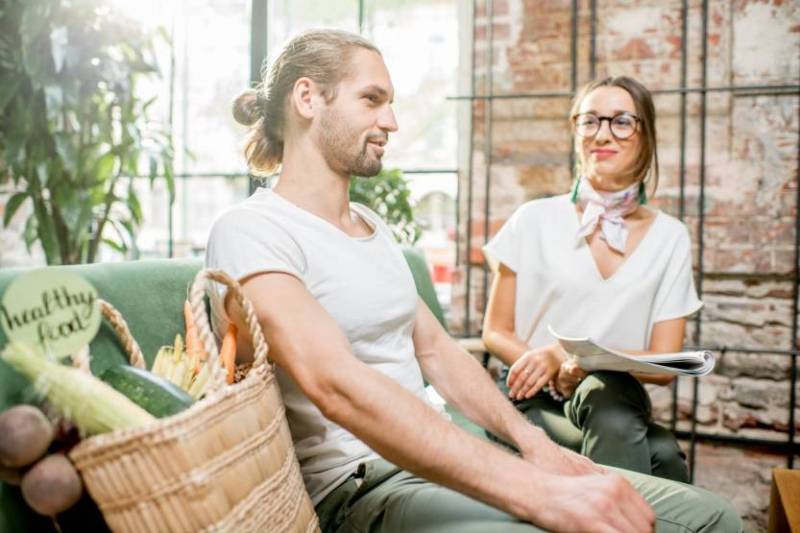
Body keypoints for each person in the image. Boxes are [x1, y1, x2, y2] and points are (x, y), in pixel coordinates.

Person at [205, 30, 740, 532]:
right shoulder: (251, 230)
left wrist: (535, 446)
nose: (391, 121)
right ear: (307, 98)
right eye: (372, 100)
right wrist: (535, 491)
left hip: (448, 451)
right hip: (363, 483)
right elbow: (334, 384)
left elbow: (438, 351)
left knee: (712, 516)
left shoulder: (372, 228)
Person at [482, 76, 696, 483]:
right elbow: (496, 331)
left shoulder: (671, 237)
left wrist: (570, 358)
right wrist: (544, 363)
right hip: (531, 399)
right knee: (663, 454)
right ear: (575, 130)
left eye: (621, 121)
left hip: (616, 398)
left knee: (607, 394)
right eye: (590, 120)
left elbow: (666, 364)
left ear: (645, 134)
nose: (603, 134)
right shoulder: (533, 219)